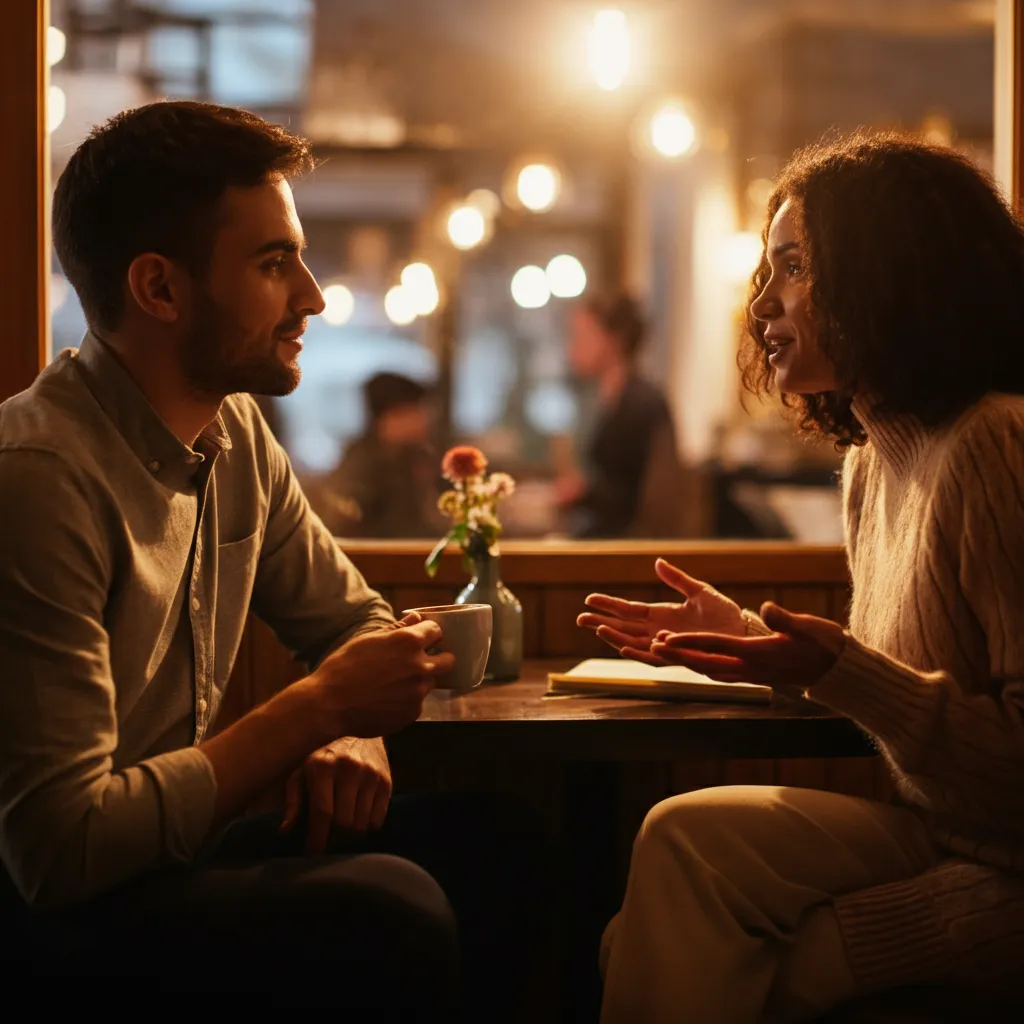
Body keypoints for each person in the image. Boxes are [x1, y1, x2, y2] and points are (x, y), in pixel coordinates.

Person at [0, 101, 547, 1016]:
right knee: (393, 913)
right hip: (51, 909)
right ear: (160, 290)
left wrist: (350, 726)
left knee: (506, 846)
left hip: (168, 854)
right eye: (272, 262)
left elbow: (358, 626)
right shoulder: (39, 479)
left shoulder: (235, 434)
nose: (314, 296)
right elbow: (61, 854)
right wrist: (320, 706)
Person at [578, 131, 1024, 1022]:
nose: (761, 305)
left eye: (794, 268)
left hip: (1005, 872)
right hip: (941, 835)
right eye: (766, 270)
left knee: (660, 947)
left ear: (887, 276)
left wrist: (839, 671)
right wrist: (754, 642)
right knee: (682, 843)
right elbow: (908, 686)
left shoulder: (993, 446)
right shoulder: (876, 460)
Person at [558, 291, 682, 538]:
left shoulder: (643, 402)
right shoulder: (611, 396)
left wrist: (582, 492)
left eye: (583, 336)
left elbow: (643, 497)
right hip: (607, 535)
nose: (573, 347)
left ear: (615, 340)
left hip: (630, 547)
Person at [315, 372, 446, 538]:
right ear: (392, 416)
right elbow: (341, 523)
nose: (425, 419)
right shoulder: (362, 463)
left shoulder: (417, 456)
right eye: (416, 410)